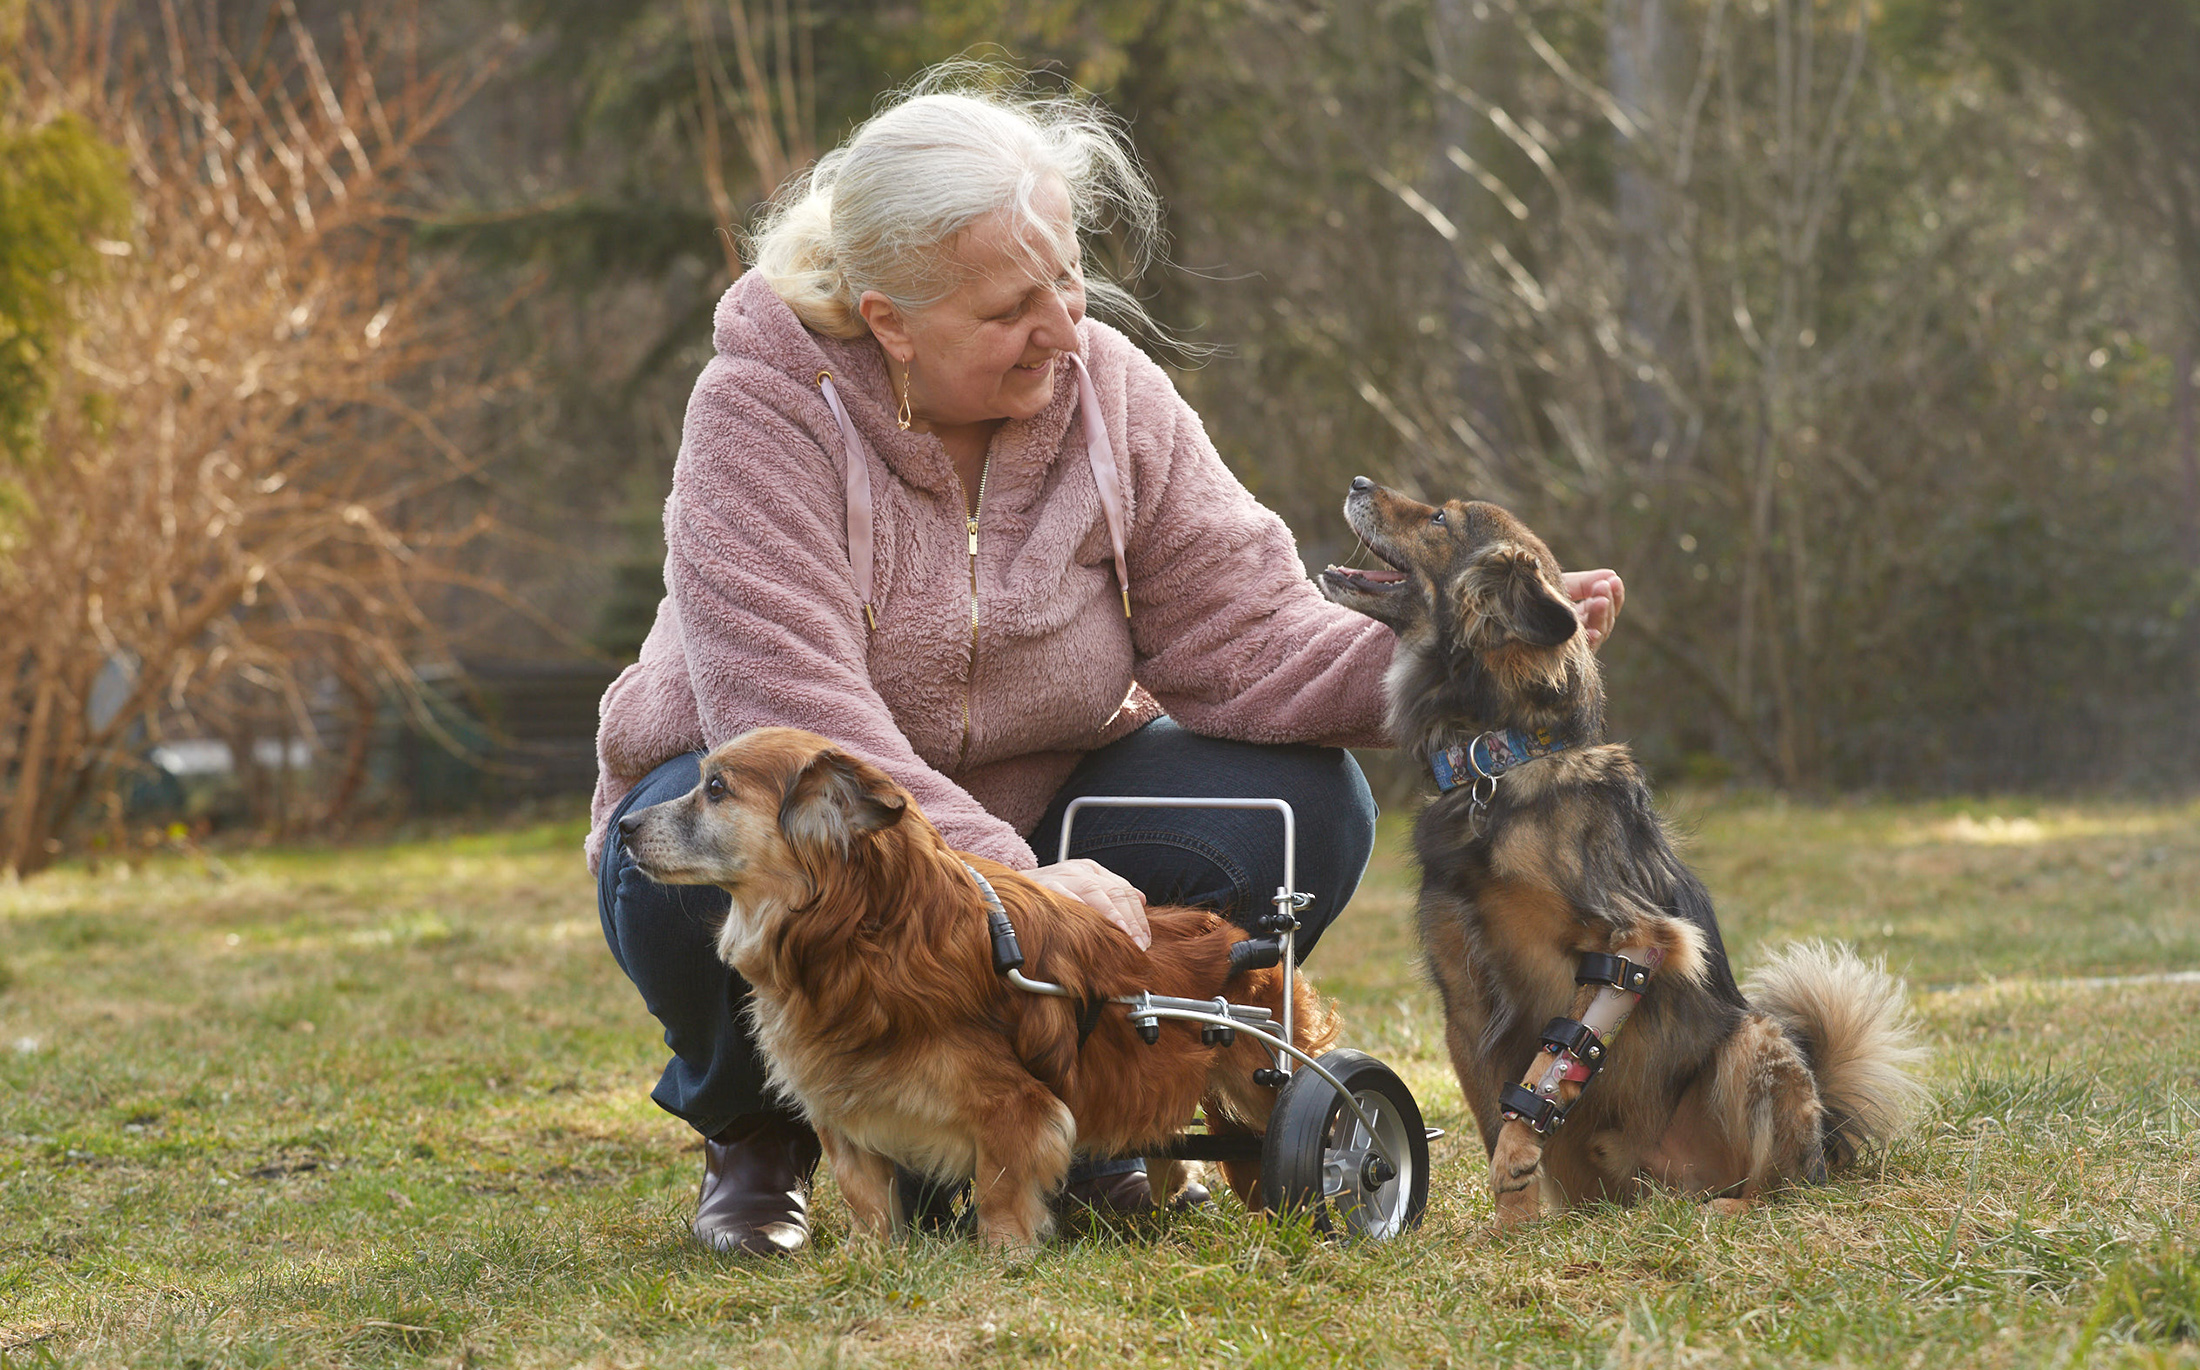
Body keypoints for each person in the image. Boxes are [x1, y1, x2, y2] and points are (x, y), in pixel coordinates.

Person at [588, 67, 1624, 1258]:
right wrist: (1009, 886)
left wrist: (1467, 658)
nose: (1063, 323)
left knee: (1302, 803)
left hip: (1052, 806)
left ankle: (1081, 1105)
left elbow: (1245, 631)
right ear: (890, 321)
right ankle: (757, 1129)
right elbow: (792, 708)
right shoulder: (760, 412)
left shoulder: (1111, 395)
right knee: (688, 838)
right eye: (1010, 306)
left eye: (1070, 277)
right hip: (836, 807)